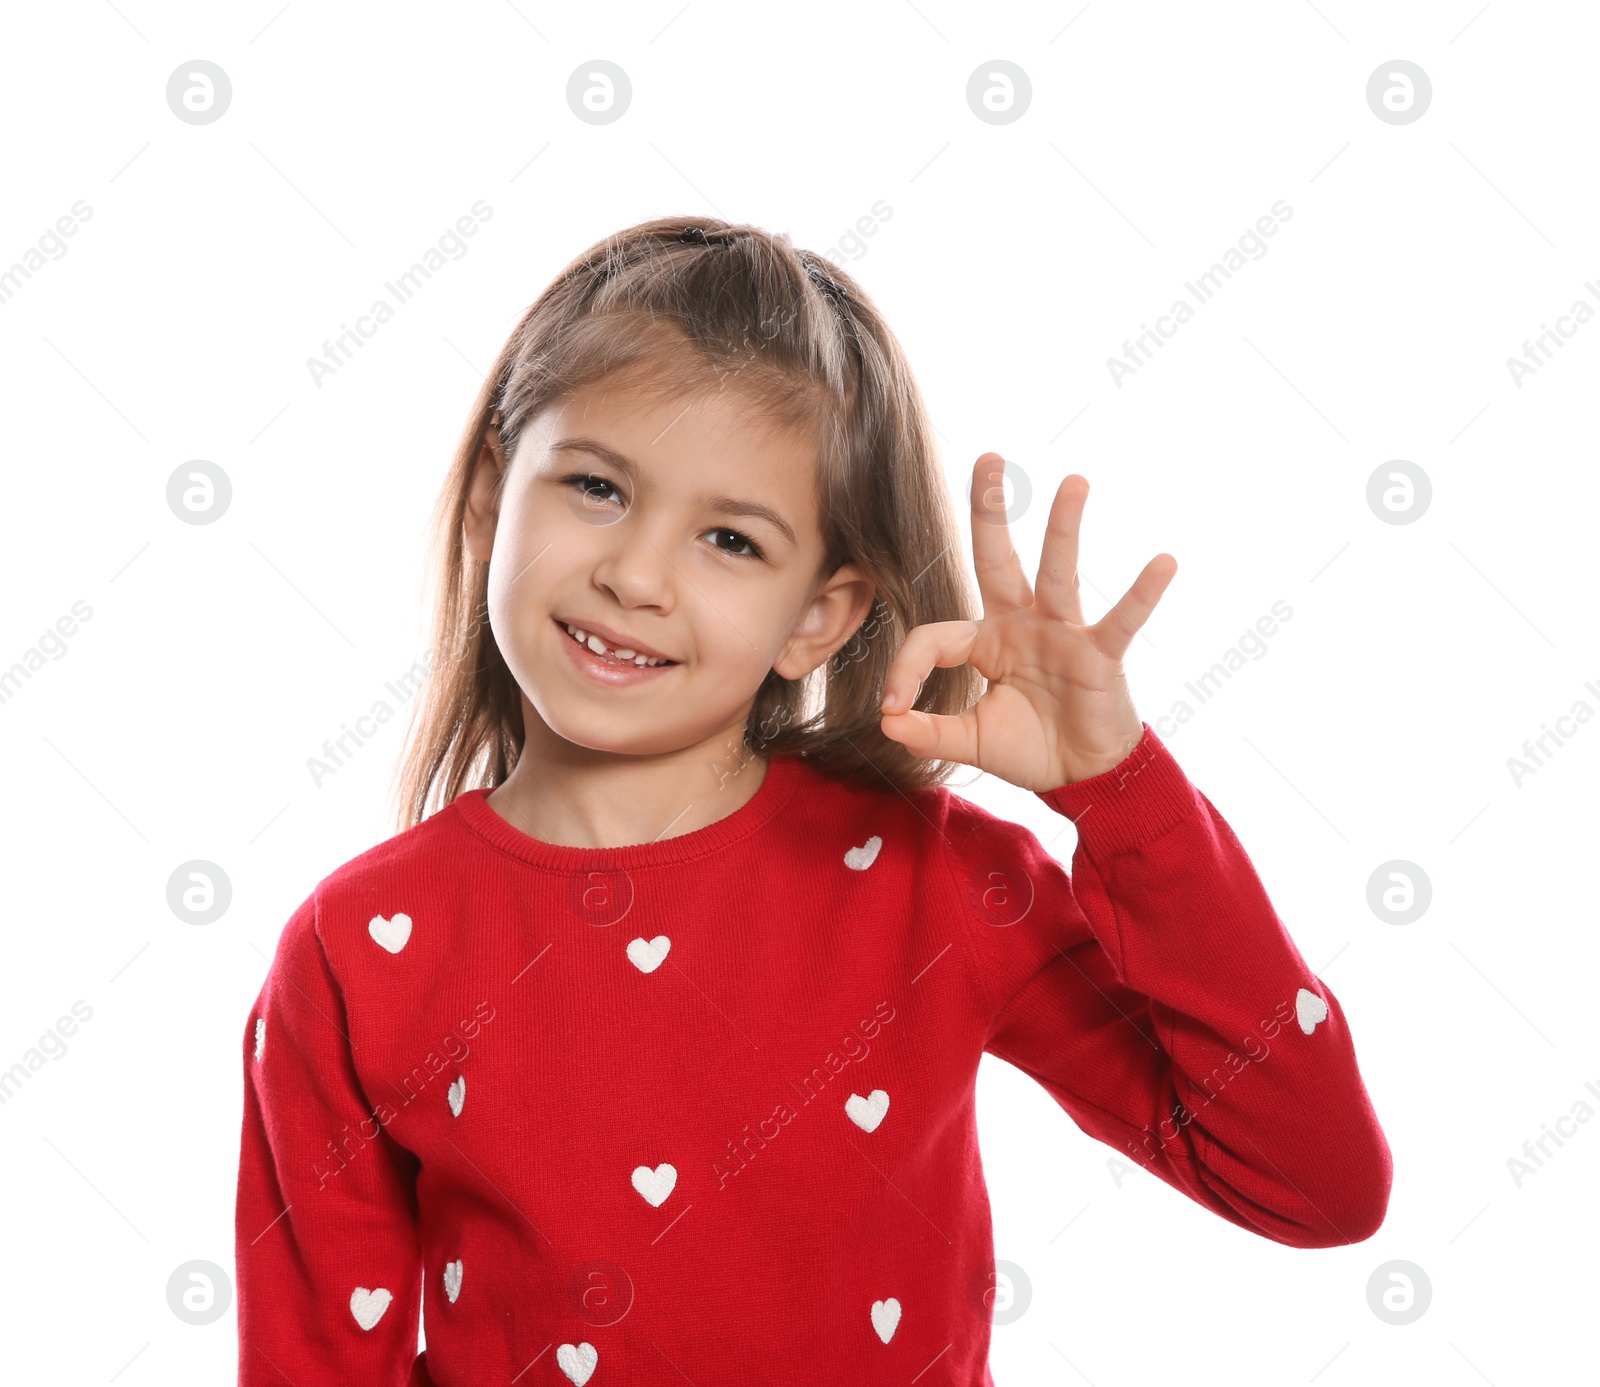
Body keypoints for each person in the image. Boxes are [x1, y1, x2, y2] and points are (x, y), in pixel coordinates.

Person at [234, 217, 1391, 1386]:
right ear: (492, 500)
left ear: (817, 618)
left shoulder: (937, 884)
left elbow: (1313, 1182)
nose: (635, 575)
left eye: (730, 540)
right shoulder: (355, 953)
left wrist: (1121, 792)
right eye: (594, 486)